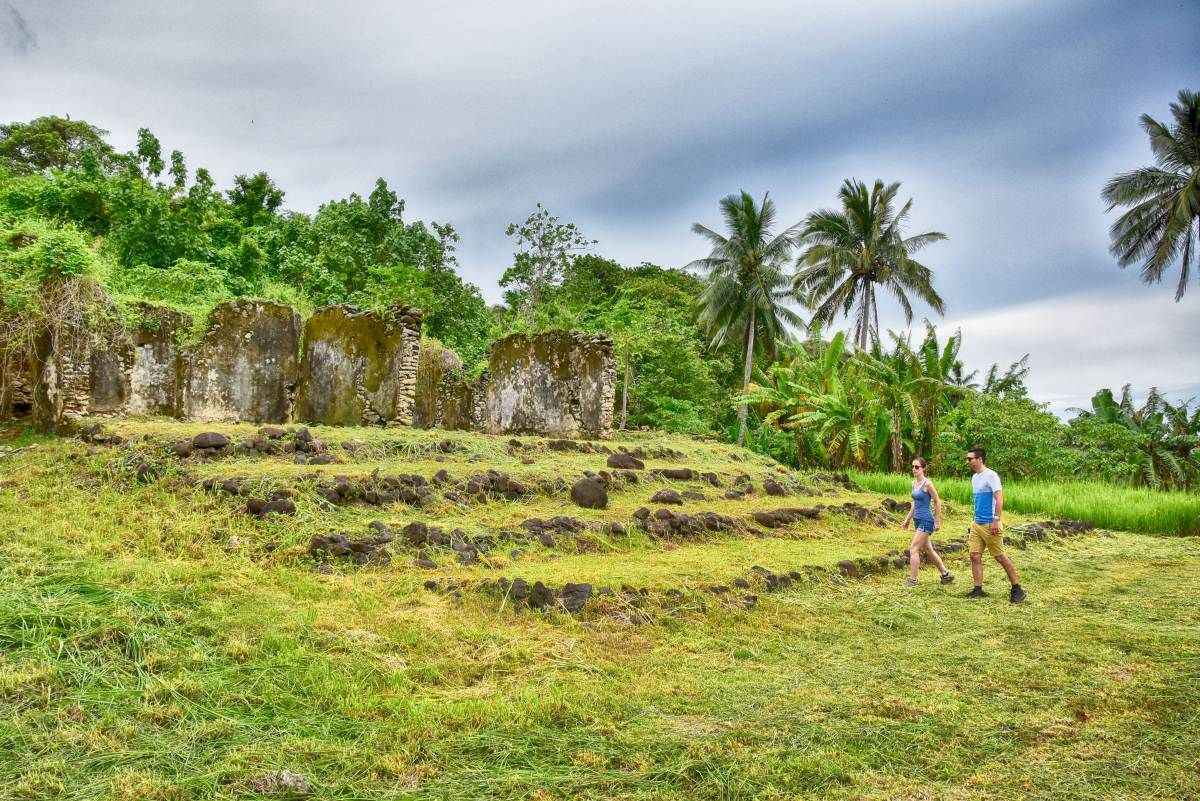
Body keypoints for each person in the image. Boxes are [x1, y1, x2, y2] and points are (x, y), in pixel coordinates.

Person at [965, 447, 1026, 603]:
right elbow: (979, 501)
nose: (968, 461)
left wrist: (996, 519)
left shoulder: (991, 476)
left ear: (979, 459)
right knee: (974, 556)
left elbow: (999, 498)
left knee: (1000, 557)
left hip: (990, 524)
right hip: (977, 523)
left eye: (970, 459)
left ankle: (1017, 588)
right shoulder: (974, 478)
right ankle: (978, 589)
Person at [900, 457, 954, 586]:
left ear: (923, 468)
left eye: (917, 467)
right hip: (917, 520)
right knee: (928, 550)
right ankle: (945, 574)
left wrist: (937, 521)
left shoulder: (927, 484)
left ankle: (913, 580)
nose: (914, 469)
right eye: (912, 467)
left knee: (913, 549)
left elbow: (937, 501)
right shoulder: (914, 483)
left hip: (926, 520)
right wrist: (907, 519)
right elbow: (915, 504)